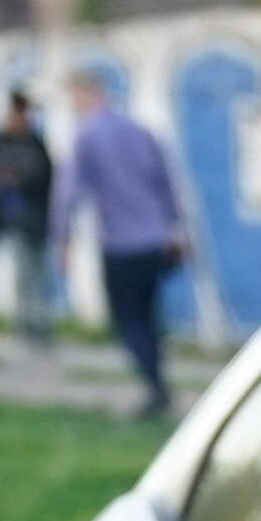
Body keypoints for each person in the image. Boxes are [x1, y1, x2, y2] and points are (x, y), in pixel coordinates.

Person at [56, 67, 189, 421]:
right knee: (148, 315)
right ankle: (157, 383)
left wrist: (62, 241)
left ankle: (155, 386)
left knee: (127, 319)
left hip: (120, 245)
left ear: (86, 95)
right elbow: (168, 186)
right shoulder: (141, 131)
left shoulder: (87, 136)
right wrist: (176, 230)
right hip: (155, 240)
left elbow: (68, 194)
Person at [0, 89, 55, 336]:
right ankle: (24, 322)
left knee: (37, 273)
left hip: (35, 219)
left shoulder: (36, 143)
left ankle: (37, 323)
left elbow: (47, 177)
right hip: (5, 220)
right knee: (20, 272)